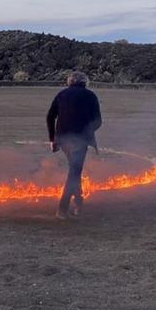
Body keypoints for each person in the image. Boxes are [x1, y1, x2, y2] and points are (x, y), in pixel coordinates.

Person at [46, 71, 102, 218]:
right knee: (74, 173)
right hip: (80, 139)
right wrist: (87, 131)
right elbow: (98, 121)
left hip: (63, 139)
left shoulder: (62, 94)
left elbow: (50, 117)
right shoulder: (90, 96)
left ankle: (78, 204)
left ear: (69, 81)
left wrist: (53, 138)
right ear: (85, 82)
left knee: (75, 170)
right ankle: (62, 208)